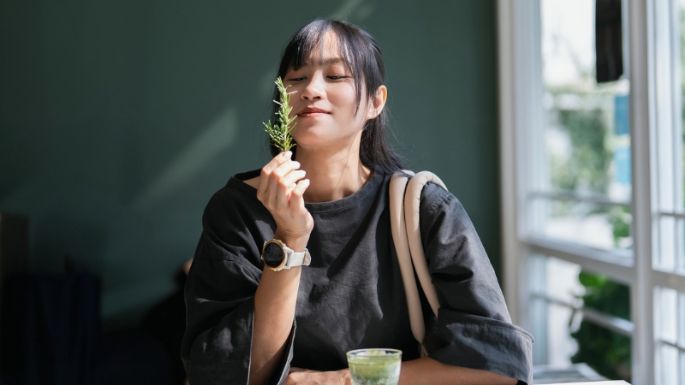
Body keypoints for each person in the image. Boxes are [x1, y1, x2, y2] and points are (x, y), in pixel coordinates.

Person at [181, 19, 533, 385]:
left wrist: (336, 381)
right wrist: (290, 240)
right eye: (297, 78)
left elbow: (498, 368)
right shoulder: (237, 211)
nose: (311, 90)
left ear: (375, 102)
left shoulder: (422, 209)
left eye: (335, 76)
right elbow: (229, 375)